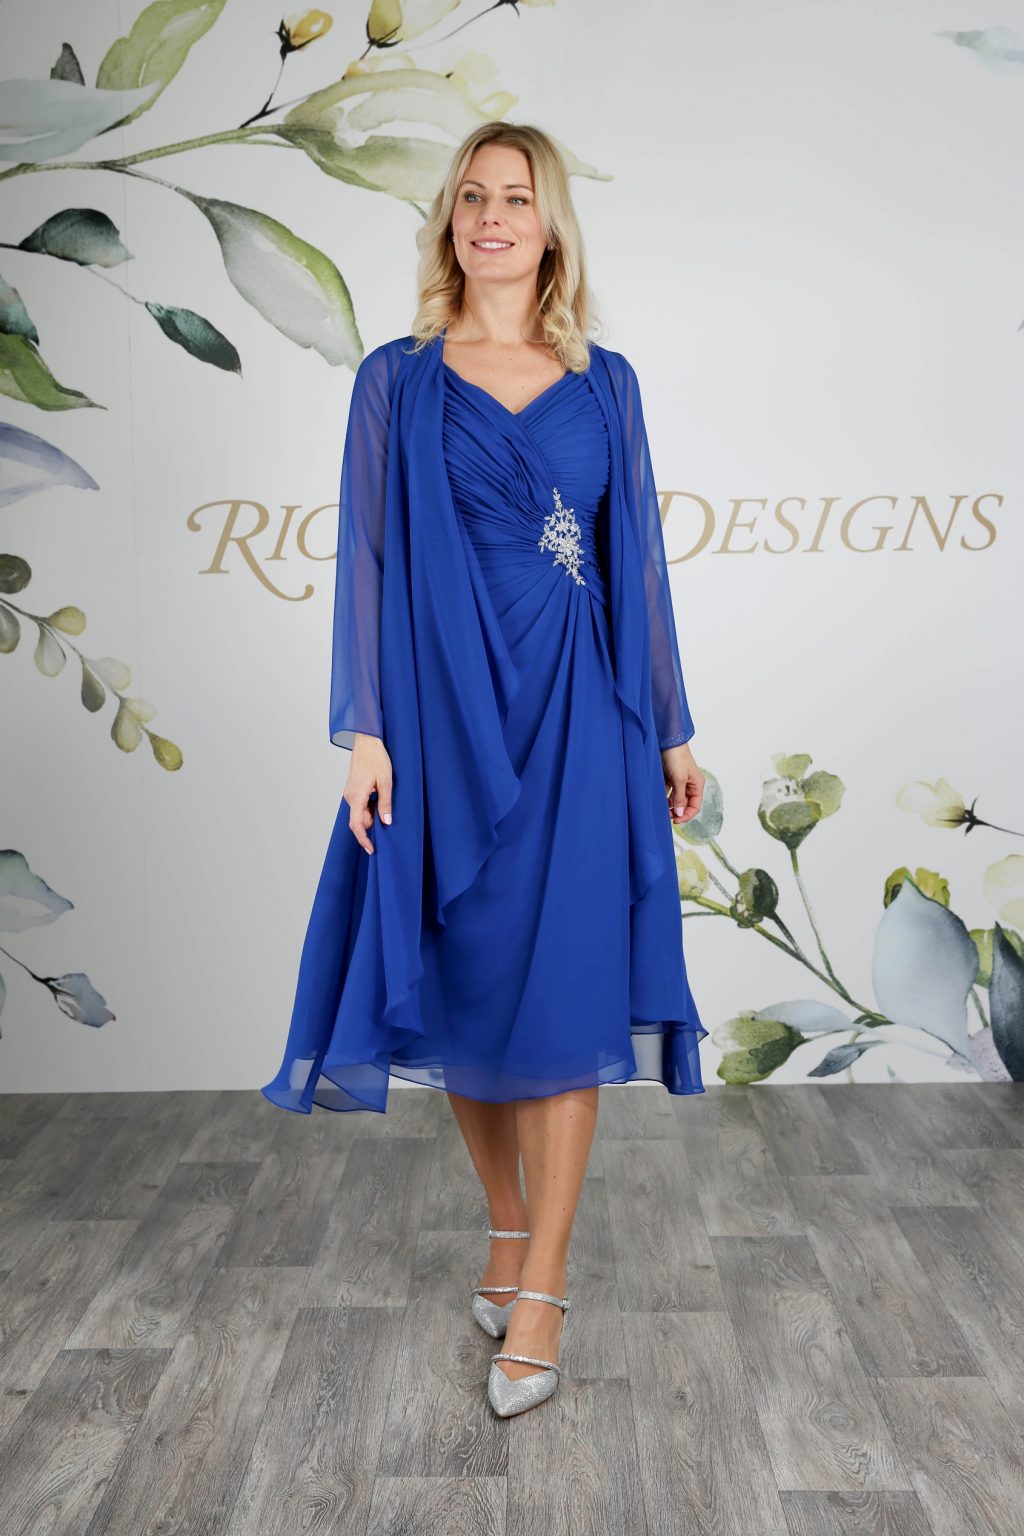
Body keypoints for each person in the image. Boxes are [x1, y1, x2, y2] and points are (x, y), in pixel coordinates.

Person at [261, 121, 707, 1418]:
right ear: (449, 222)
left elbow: (639, 565)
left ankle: (546, 1285)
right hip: (440, 717)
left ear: (550, 223)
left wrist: (669, 727)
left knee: (564, 992)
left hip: (578, 715)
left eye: (515, 197)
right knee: (462, 974)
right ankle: (507, 1224)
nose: (492, 217)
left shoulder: (606, 382)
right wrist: (367, 731)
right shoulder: (395, 379)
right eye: (471, 197)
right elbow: (366, 559)